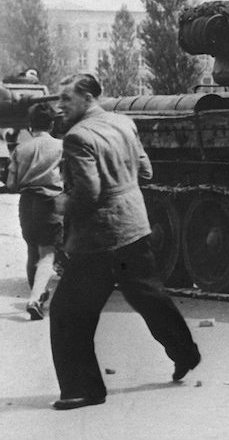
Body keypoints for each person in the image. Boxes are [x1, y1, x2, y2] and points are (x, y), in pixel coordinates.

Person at [49, 74, 201, 411]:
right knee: (146, 293)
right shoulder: (123, 122)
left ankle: (83, 389)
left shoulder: (77, 137)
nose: (60, 106)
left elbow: (88, 193)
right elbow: (145, 172)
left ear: (88, 97)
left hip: (99, 238)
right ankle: (185, 352)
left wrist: (62, 203)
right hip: (135, 226)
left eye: (66, 99)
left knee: (67, 311)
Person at [6, 102, 63, 320]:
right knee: (47, 253)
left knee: (32, 250)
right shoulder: (61, 147)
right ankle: (34, 299)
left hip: (27, 203)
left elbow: (12, 184)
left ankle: (37, 294)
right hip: (49, 203)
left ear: (30, 126)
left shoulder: (21, 149)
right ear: (52, 123)